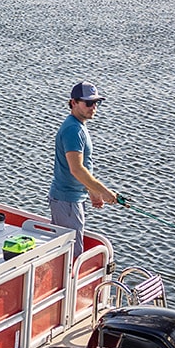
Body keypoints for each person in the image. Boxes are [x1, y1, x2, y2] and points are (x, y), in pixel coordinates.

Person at [50, 81, 119, 252]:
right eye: (88, 103)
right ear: (73, 103)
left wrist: (92, 191)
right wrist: (105, 191)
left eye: (96, 102)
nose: (93, 107)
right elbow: (77, 169)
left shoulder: (78, 126)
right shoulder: (73, 130)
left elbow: (80, 169)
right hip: (67, 202)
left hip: (71, 200)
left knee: (70, 250)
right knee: (72, 254)